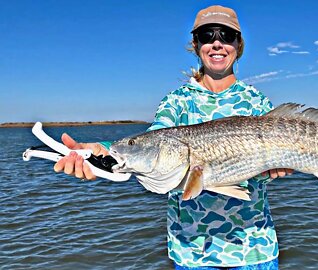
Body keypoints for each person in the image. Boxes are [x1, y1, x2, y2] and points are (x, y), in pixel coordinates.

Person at [54, 5, 293, 269]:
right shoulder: (177, 101)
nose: (216, 43)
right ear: (195, 43)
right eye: (206, 35)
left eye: (226, 35)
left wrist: (279, 167)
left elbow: (274, 162)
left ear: (239, 44)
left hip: (255, 248)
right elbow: (152, 140)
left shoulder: (256, 101)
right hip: (191, 252)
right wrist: (102, 152)